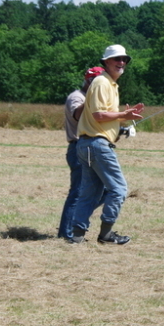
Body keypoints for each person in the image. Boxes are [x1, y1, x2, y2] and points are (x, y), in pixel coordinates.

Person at [68, 45, 144, 244]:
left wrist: (122, 122)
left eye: (124, 60)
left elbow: (102, 118)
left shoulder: (110, 84)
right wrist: (122, 115)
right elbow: (99, 115)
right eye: (116, 59)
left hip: (88, 144)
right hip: (96, 144)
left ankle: (76, 236)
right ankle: (106, 235)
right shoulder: (102, 82)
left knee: (89, 194)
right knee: (119, 189)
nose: (121, 63)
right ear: (106, 62)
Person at [57, 66, 104, 240]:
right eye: (95, 81)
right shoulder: (76, 97)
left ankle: (76, 218)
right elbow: (77, 114)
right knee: (77, 192)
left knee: (106, 189)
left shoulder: (97, 99)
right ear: (88, 80)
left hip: (93, 147)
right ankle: (66, 233)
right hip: (78, 148)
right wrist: (92, 97)